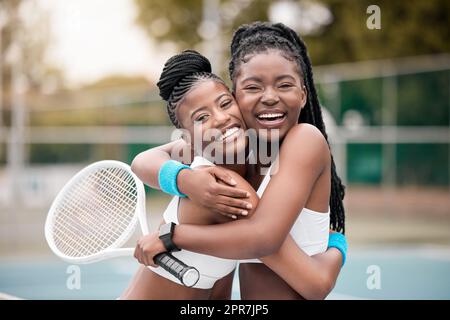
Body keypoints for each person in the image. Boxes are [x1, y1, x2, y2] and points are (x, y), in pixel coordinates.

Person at [132, 22, 347, 300]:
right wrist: (183, 180)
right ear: (237, 95)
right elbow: (144, 160)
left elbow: (265, 239)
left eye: (284, 84)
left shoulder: (304, 139)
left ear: (303, 94)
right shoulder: (228, 162)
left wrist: (170, 236)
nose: (269, 97)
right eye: (253, 87)